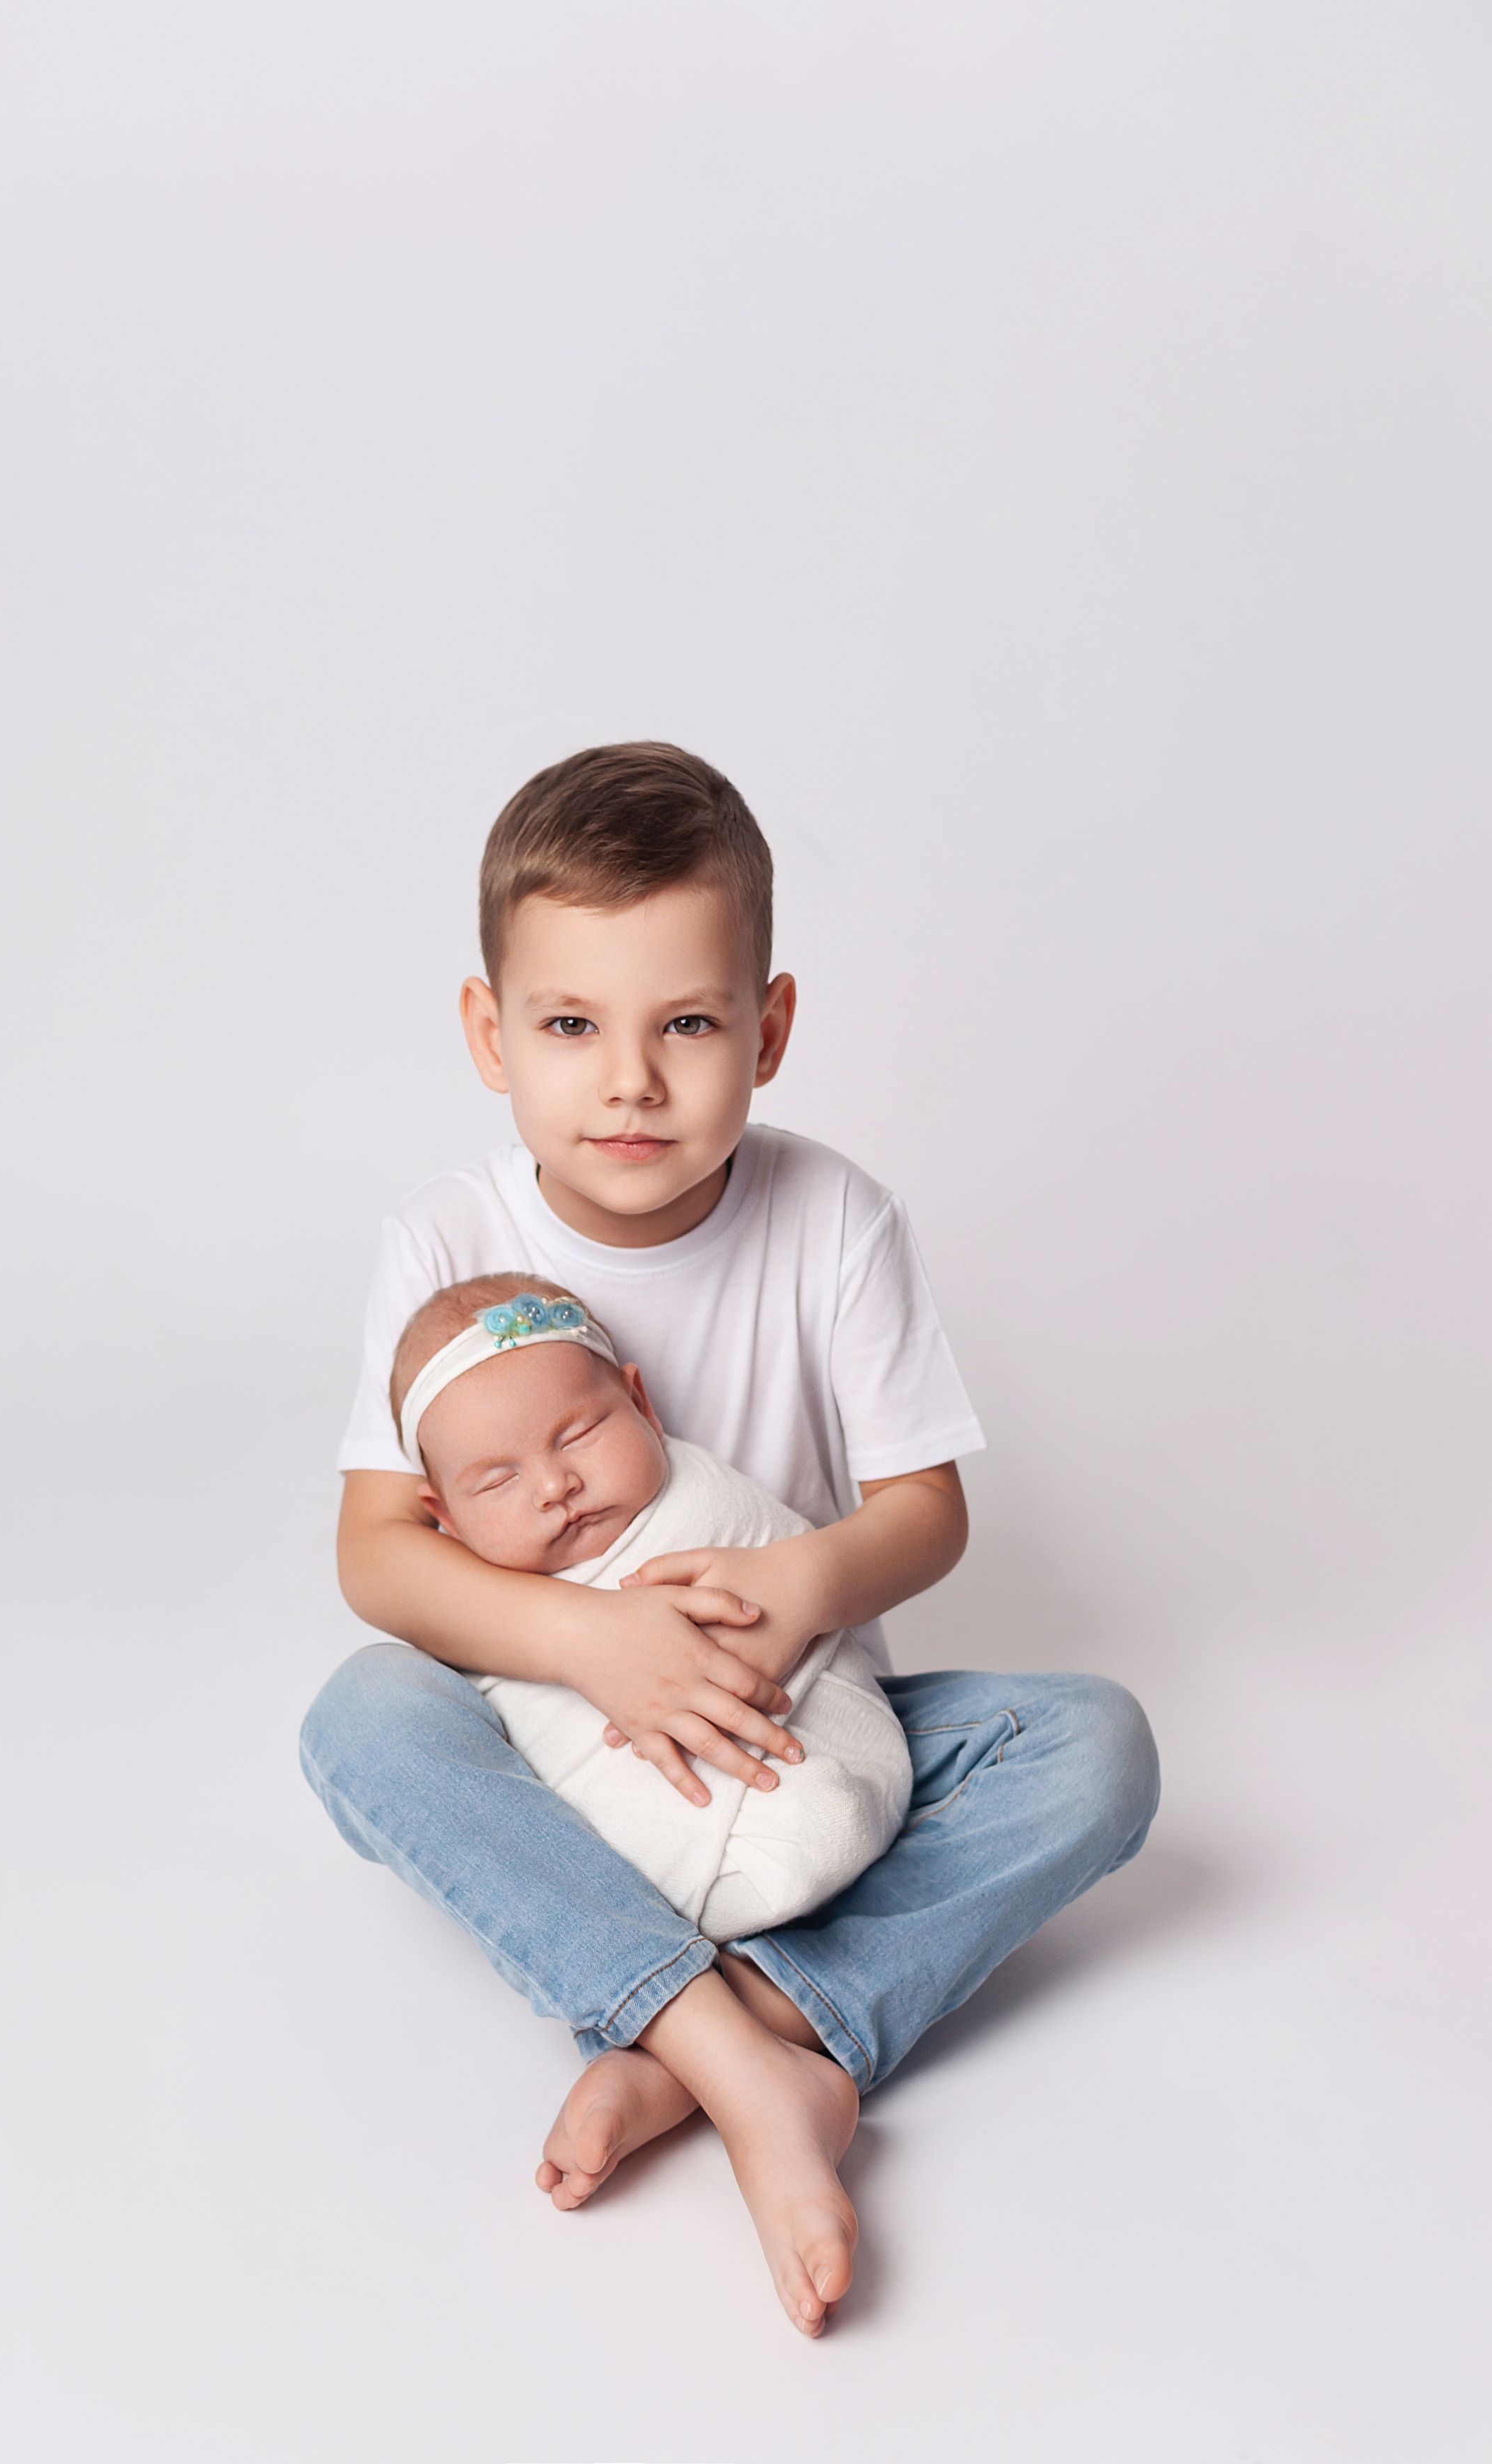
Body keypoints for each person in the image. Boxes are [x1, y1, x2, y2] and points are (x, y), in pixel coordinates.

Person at [300, 741, 1159, 2337]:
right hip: (565, 1736)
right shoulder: (447, 1237)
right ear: (490, 1034)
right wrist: (589, 1643)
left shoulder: (835, 1220)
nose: (629, 1082)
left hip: (799, 1722)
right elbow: (378, 1557)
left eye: (685, 1025)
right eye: (570, 1026)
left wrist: (801, 1583)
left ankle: (713, 2034)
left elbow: (924, 1512)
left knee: (1095, 1747)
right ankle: (752, 2071)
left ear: (766, 1029)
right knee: (364, 1718)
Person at [390, 1271, 916, 1942]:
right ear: (445, 1518)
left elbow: (796, 1559)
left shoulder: (704, 1498)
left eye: (578, 1434)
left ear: (640, 1403)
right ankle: (744, 1972)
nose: (554, 1485)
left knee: (1041, 1748)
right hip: (657, 1854)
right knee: (380, 1714)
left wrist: (791, 1591)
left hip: (836, 1762)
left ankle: (705, 1981)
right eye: (497, 1481)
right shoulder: (469, 1601)